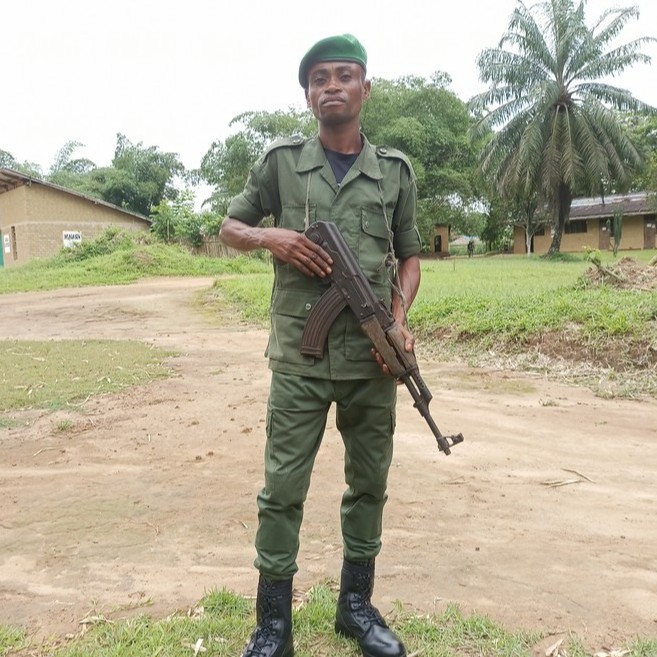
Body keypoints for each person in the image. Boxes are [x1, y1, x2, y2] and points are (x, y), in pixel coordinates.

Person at [219, 33, 422, 657]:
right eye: (318, 79)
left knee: (369, 483)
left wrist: (397, 318)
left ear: (365, 87)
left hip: (370, 360)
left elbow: (411, 257)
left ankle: (355, 608)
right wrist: (271, 238)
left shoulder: (394, 172)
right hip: (299, 361)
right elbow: (229, 227)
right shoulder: (280, 163)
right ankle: (273, 625)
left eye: (343, 75)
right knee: (282, 487)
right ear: (307, 95)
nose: (330, 86)